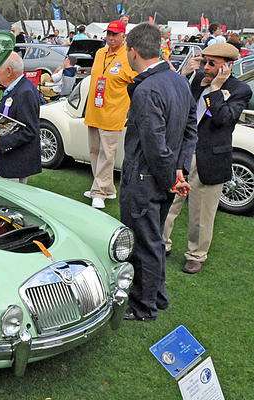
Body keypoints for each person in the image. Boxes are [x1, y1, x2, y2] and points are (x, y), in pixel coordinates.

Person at [121, 23, 198, 321]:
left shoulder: (147, 89)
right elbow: (190, 130)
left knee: (145, 243)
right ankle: (158, 295)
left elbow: (155, 144)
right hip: (163, 174)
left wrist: (172, 177)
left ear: (133, 51)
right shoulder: (178, 81)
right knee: (154, 239)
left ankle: (144, 305)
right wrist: (178, 171)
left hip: (145, 177)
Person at [163, 43, 252, 274]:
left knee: (201, 213)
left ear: (227, 66)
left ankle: (196, 255)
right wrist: (183, 75)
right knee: (168, 202)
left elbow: (223, 119)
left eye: (212, 63)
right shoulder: (196, 80)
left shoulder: (240, 89)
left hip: (209, 156)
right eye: (204, 61)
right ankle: (161, 244)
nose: (206, 67)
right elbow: (179, 105)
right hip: (182, 152)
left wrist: (215, 89)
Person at [83, 20, 137, 209]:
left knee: (107, 153)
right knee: (94, 151)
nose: (111, 37)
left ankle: (99, 191)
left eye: (115, 34)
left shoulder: (128, 55)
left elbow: (136, 81)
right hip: (94, 111)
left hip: (113, 112)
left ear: (123, 36)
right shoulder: (100, 53)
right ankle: (106, 187)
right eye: (109, 34)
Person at [0, 52, 42, 183]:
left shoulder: (24, 92)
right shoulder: (17, 88)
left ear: (9, 71)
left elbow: (30, 131)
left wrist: (0, 142)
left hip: (15, 163)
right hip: (9, 160)